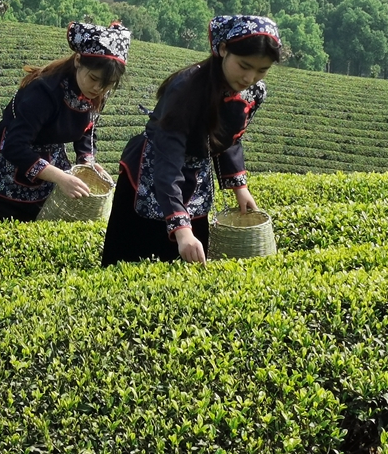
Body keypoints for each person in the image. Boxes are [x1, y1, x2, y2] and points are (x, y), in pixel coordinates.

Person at [101, 15, 282, 267]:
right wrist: (181, 228)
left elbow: (230, 138)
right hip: (153, 171)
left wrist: (240, 187)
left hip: (197, 178)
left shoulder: (254, 92)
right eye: (244, 66)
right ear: (223, 49)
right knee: (133, 260)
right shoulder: (187, 88)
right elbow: (168, 158)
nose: (249, 77)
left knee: (190, 263)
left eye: (261, 70)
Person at [0, 20, 131, 222]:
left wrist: (87, 163)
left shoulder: (97, 93)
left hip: (50, 168)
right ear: (78, 60)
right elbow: (14, 146)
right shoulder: (43, 90)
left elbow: (87, 130)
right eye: (93, 78)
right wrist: (60, 177)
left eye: (108, 84)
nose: (98, 88)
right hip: (7, 170)